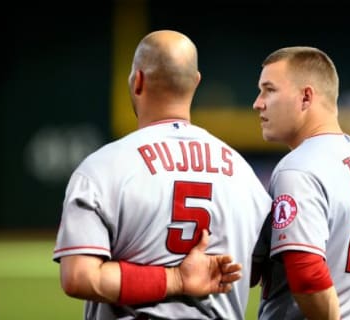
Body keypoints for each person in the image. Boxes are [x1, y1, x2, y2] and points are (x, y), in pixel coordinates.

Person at [53, 30, 272, 320]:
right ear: (195, 83)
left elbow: (81, 277)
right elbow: (257, 273)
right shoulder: (247, 177)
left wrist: (176, 280)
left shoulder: (101, 168)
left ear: (137, 80)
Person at [251, 46, 350, 320]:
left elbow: (307, 277)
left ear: (306, 97)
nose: (258, 102)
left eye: (269, 90)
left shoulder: (298, 169)